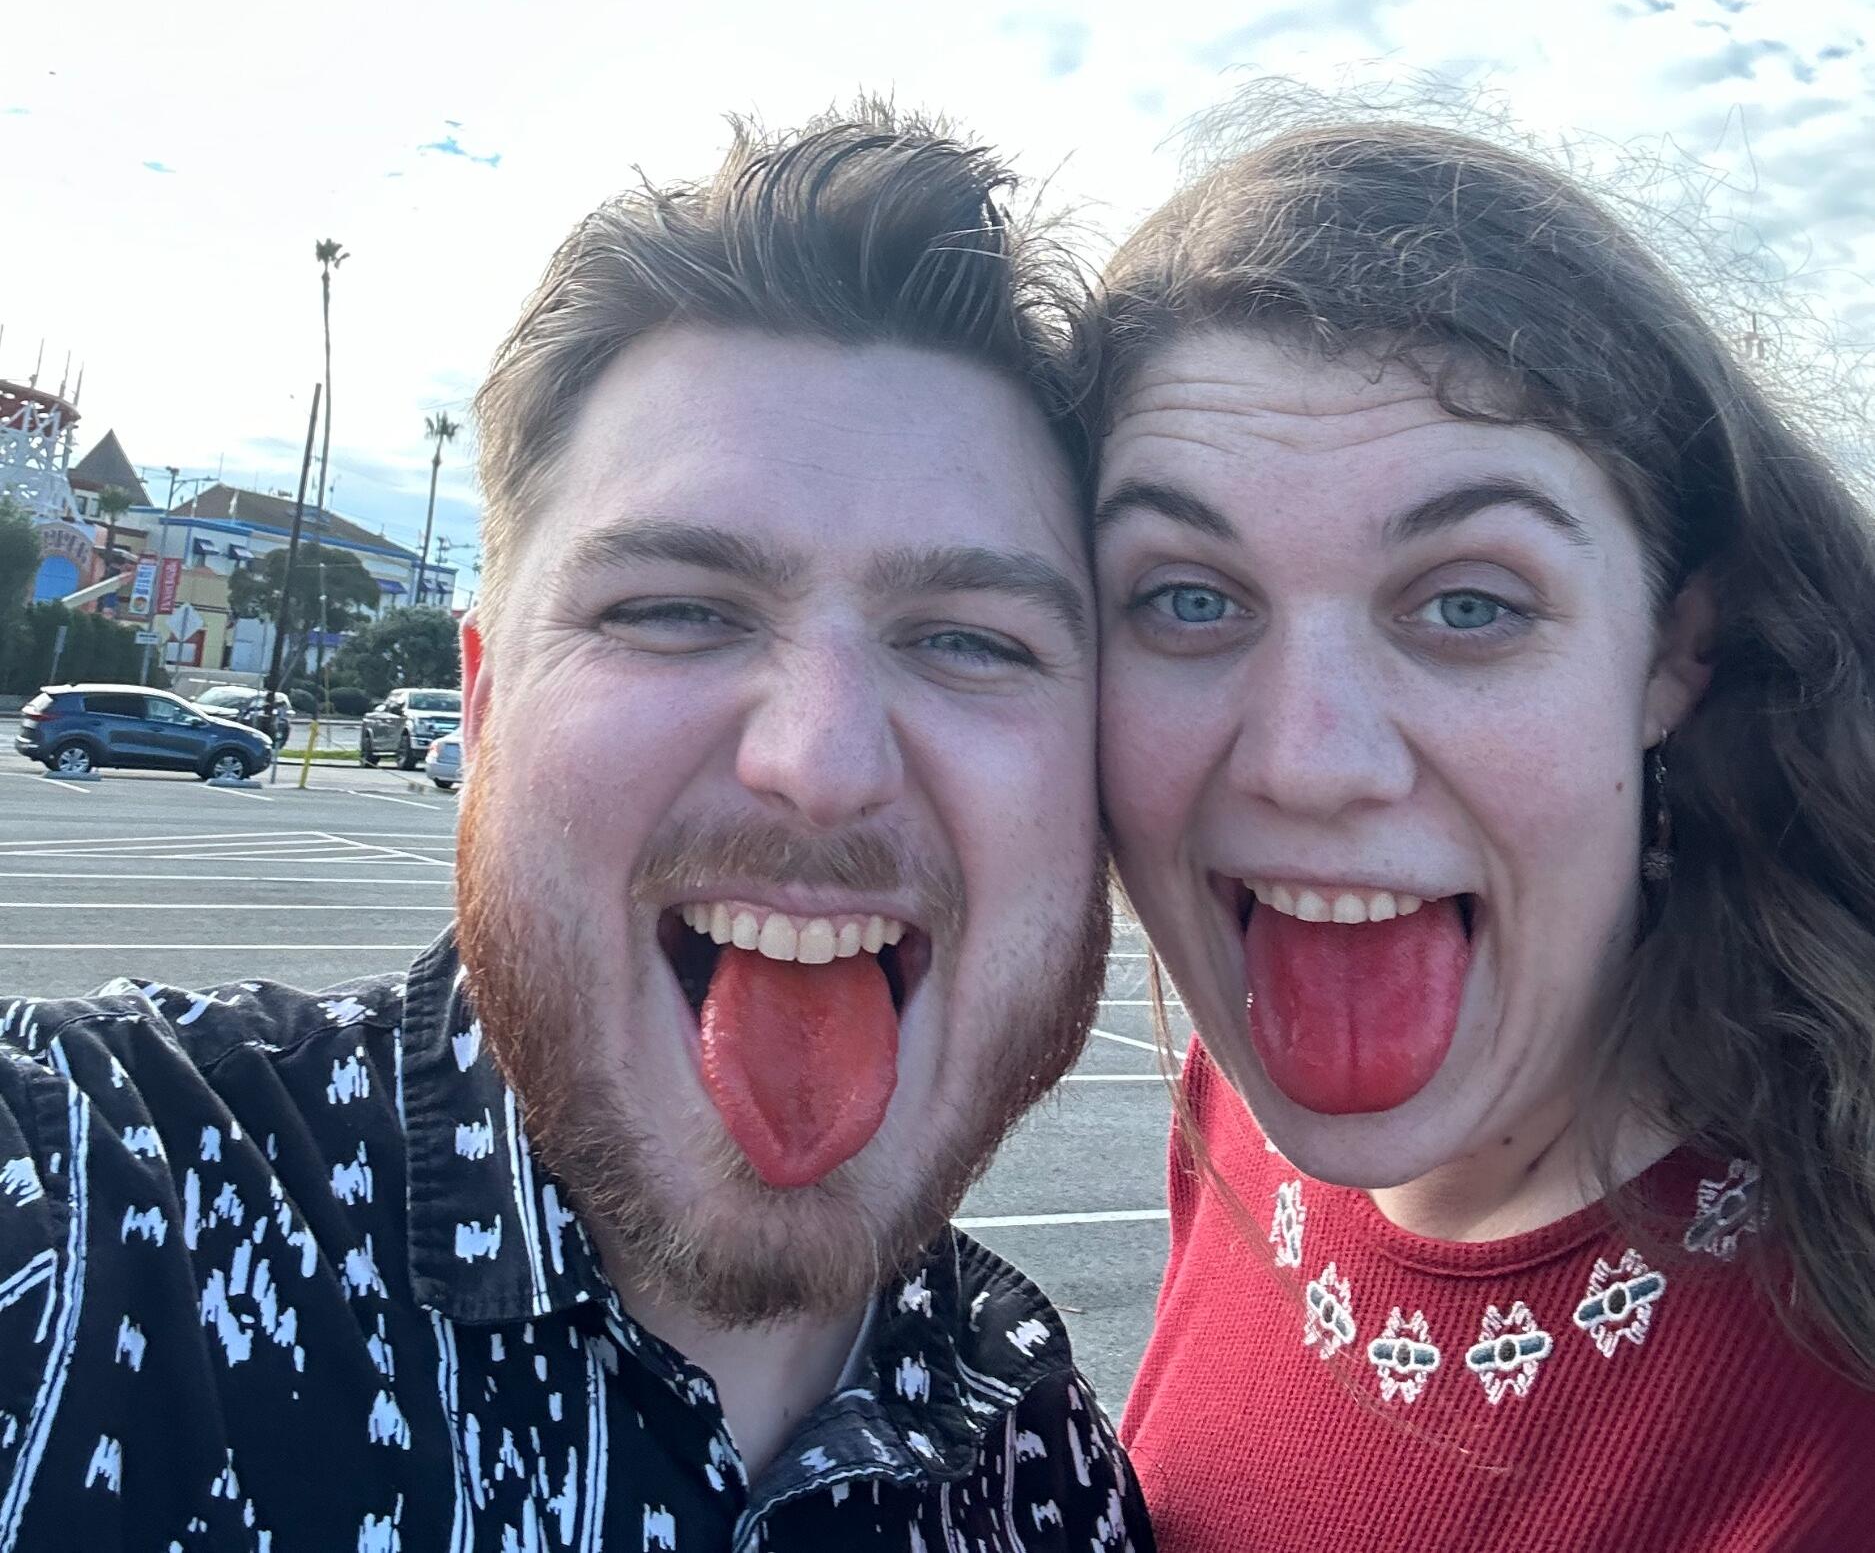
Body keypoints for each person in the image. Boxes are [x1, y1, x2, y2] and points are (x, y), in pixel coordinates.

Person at [0, 107, 1153, 1551]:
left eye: (974, 641)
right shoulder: (100, 1219)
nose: (823, 762)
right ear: (480, 709)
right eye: (673, 610)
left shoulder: (1049, 1473)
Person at [1092, 99, 1875, 1551]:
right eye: (1187, 598)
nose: (1310, 762)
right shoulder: (1229, 1119)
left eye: (1471, 604)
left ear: (1671, 656)